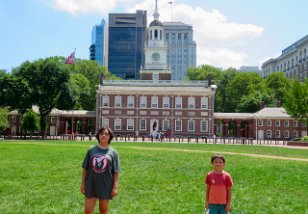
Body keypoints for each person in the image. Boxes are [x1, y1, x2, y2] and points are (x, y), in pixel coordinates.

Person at [80, 127, 120, 214]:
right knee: (88, 211)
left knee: (103, 210)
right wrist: (83, 184)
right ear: (98, 136)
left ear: (110, 136)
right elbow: (85, 168)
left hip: (106, 184)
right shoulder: (91, 150)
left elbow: (116, 171)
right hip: (91, 184)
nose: (103, 135)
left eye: (106, 134)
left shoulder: (113, 152)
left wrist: (115, 187)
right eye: (101, 134)